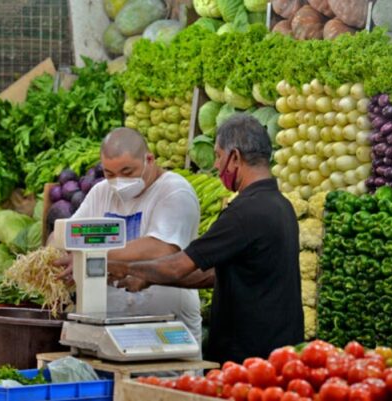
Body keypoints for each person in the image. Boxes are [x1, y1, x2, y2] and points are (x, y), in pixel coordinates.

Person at [108, 114, 304, 364]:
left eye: (218, 155)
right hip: (278, 353)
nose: (216, 164)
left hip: (247, 359)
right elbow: (215, 274)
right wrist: (146, 279)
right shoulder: (281, 206)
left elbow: (177, 266)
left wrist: (118, 266)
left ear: (234, 157)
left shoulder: (245, 212)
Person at [51, 127, 203, 346]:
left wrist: (91, 257)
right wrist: (53, 252)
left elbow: (161, 249)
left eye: (128, 171)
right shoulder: (101, 192)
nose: (118, 181)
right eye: (110, 174)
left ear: (149, 159)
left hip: (167, 332)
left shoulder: (175, 191)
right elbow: (68, 234)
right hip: (109, 330)